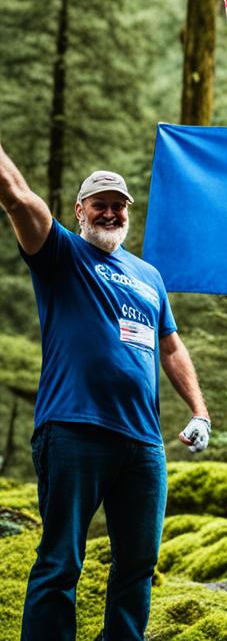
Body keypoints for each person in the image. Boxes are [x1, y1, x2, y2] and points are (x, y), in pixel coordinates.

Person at [0, 146, 212, 641]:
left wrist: (199, 411)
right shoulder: (61, 253)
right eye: (100, 203)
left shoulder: (148, 277)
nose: (111, 212)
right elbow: (16, 197)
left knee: (138, 565)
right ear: (80, 211)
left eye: (119, 204)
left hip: (142, 445)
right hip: (74, 430)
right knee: (61, 561)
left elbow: (172, 348)